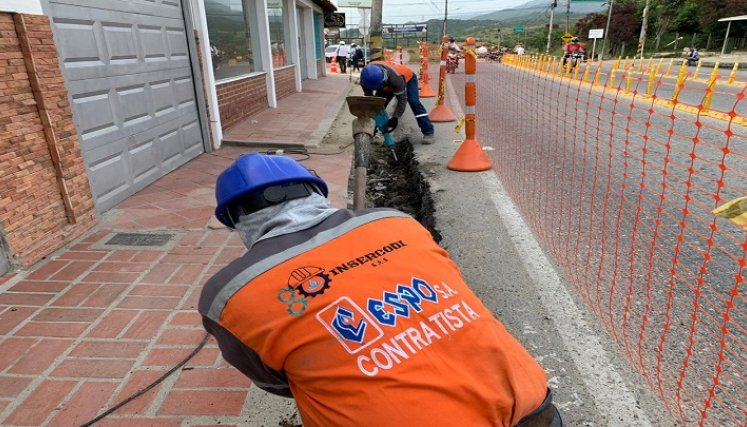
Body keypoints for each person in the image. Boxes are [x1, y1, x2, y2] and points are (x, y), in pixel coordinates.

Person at [199, 152, 563, 427]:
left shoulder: (229, 294)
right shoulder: (397, 222)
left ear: (235, 220)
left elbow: (277, 383)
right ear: (315, 191)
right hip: (530, 404)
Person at [359, 61, 435, 144]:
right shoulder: (365, 77)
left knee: (414, 102)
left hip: (408, 80)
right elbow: (369, 96)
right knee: (377, 106)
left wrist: (395, 118)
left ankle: (428, 132)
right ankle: (373, 132)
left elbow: (402, 100)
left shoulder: (396, 78)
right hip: (385, 83)